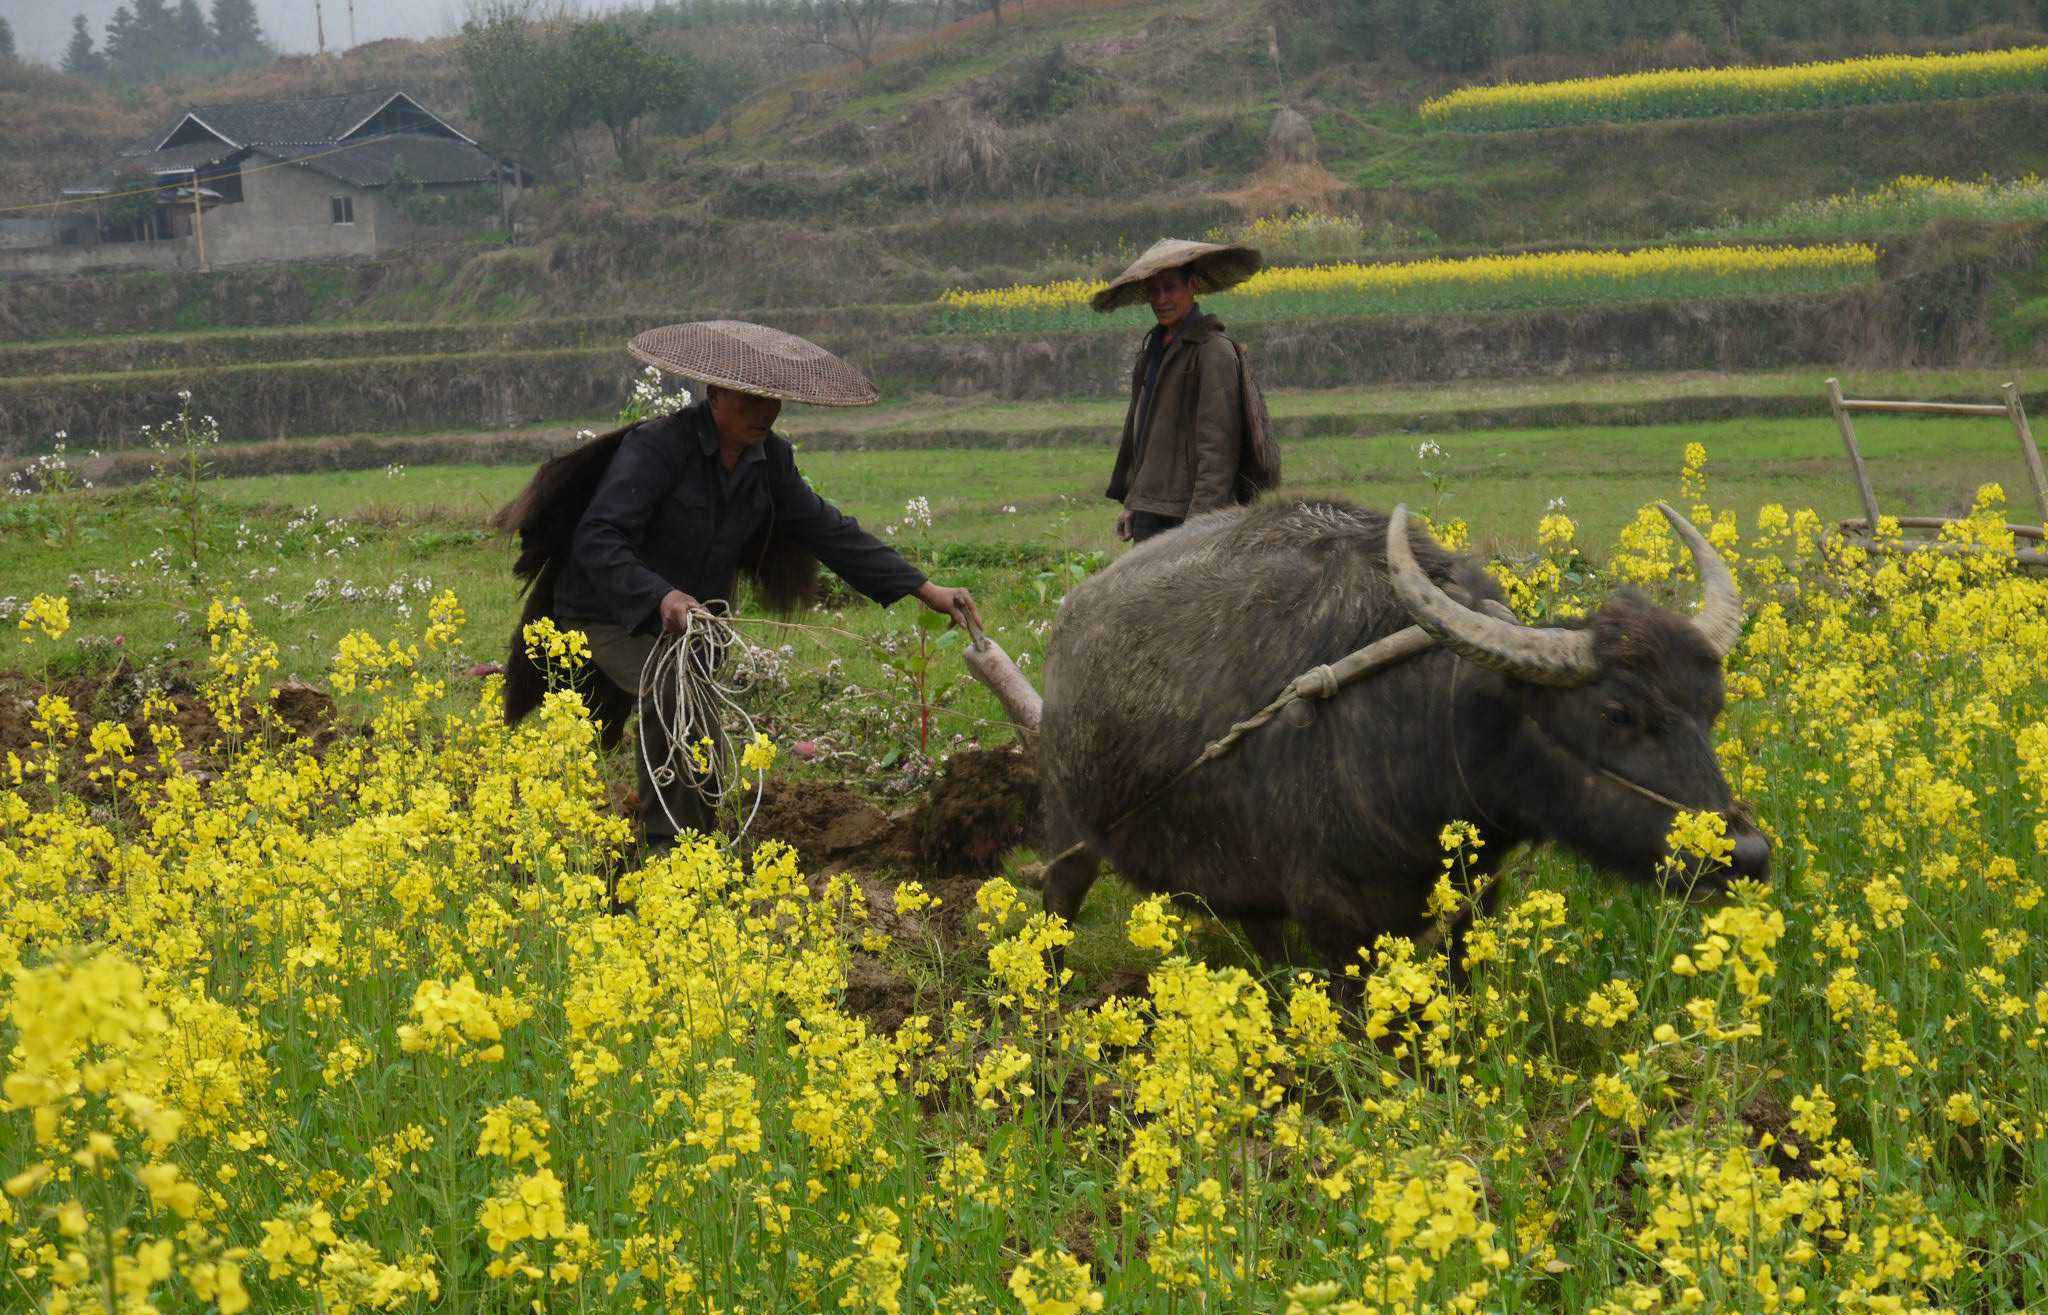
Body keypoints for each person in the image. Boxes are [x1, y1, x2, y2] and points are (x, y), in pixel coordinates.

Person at [497, 320, 980, 853]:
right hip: (607, 613)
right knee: (677, 692)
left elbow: (826, 529)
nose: (765, 412)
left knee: (695, 714)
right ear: (716, 394)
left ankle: (698, 843)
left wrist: (923, 588)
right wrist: (661, 595)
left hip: (691, 626)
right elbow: (598, 538)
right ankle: (670, 852)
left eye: (772, 399)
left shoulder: (769, 459)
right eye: (751, 398)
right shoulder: (659, 447)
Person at [1095, 238, 1266, 544]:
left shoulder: (1213, 352)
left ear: (1192, 286)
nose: (1161, 299)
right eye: (1154, 290)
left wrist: (1199, 525)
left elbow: (1218, 448)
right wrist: (1135, 502)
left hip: (1186, 515)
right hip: (1152, 511)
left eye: (1170, 288)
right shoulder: (1152, 352)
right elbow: (1144, 436)